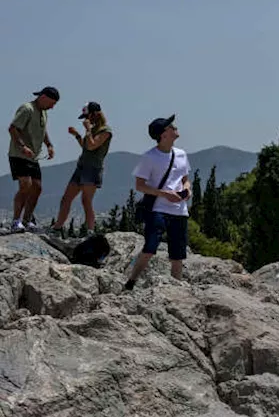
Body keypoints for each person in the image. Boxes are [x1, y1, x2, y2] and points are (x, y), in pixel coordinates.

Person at [124, 116, 191, 290]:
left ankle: (177, 287)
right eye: (170, 126)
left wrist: (187, 189)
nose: (175, 127)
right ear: (163, 134)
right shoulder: (149, 157)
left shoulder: (181, 154)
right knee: (150, 247)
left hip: (180, 209)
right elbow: (139, 185)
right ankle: (131, 281)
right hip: (158, 208)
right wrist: (164, 194)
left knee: (178, 253)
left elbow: (185, 178)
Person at [52, 102, 112, 237]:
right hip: (81, 166)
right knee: (66, 198)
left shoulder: (105, 131)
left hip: (92, 168)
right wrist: (77, 135)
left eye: (88, 116)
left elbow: (92, 146)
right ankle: (57, 228)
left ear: (95, 114)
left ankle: (90, 231)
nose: (86, 119)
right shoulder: (94, 129)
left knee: (86, 200)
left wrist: (88, 129)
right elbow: (85, 146)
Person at [8, 86, 59, 231]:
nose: (52, 107)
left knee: (37, 188)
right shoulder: (27, 109)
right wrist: (23, 146)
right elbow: (13, 128)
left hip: (33, 157)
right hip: (19, 154)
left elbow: (43, 130)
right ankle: (15, 221)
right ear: (43, 97)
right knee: (25, 185)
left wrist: (49, 145)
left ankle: (27, 220)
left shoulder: (43, 113)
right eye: (52, 103)